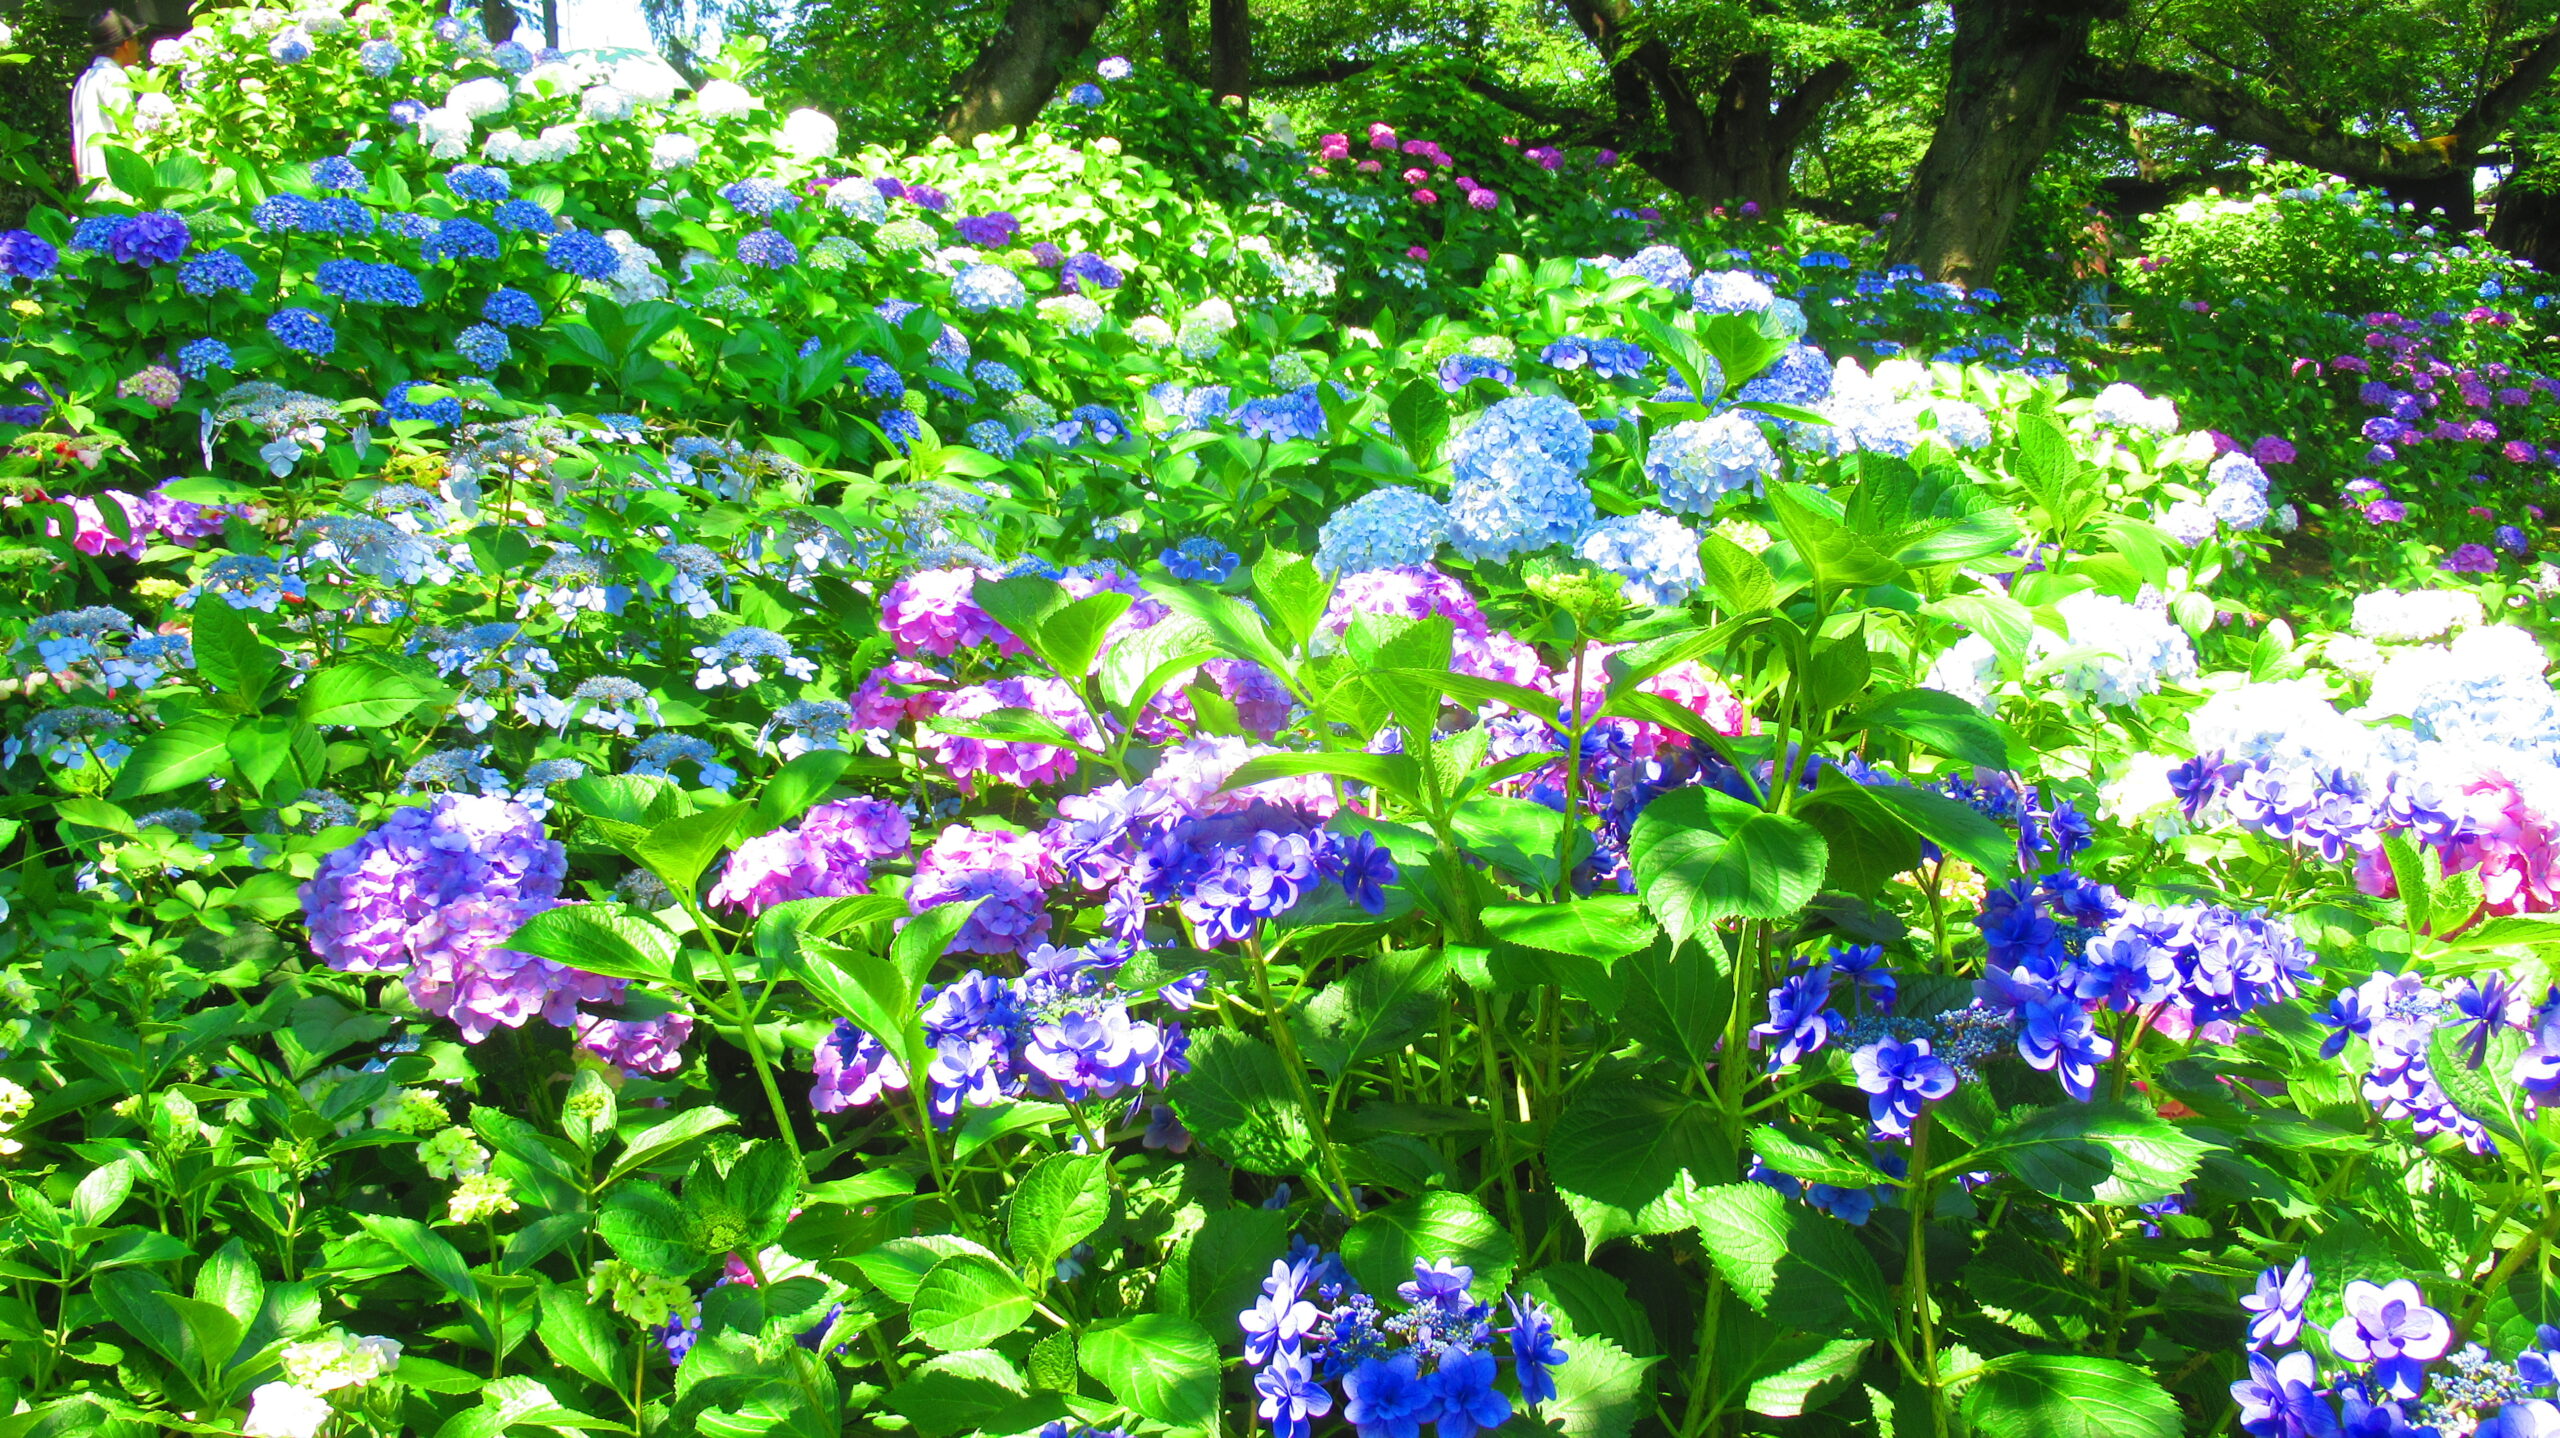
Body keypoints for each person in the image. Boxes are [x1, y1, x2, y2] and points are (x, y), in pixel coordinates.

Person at [72, 10, 143, 189]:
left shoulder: (85, 80)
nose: (140, 48)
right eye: (137, 41)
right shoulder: (114, 78)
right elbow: (129, 130)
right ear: (126, 45)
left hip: (90, 188)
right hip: (115, 189)